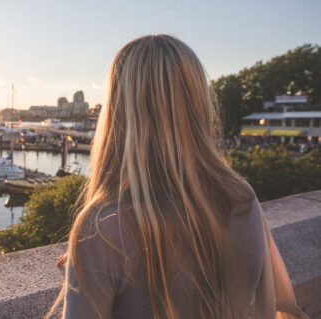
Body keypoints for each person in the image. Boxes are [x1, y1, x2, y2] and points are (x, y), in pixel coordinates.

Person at [49, 35, 307, 319]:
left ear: (117, 112)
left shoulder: (104, 230)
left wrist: (91, 261)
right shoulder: (242, 199)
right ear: (199, 104)